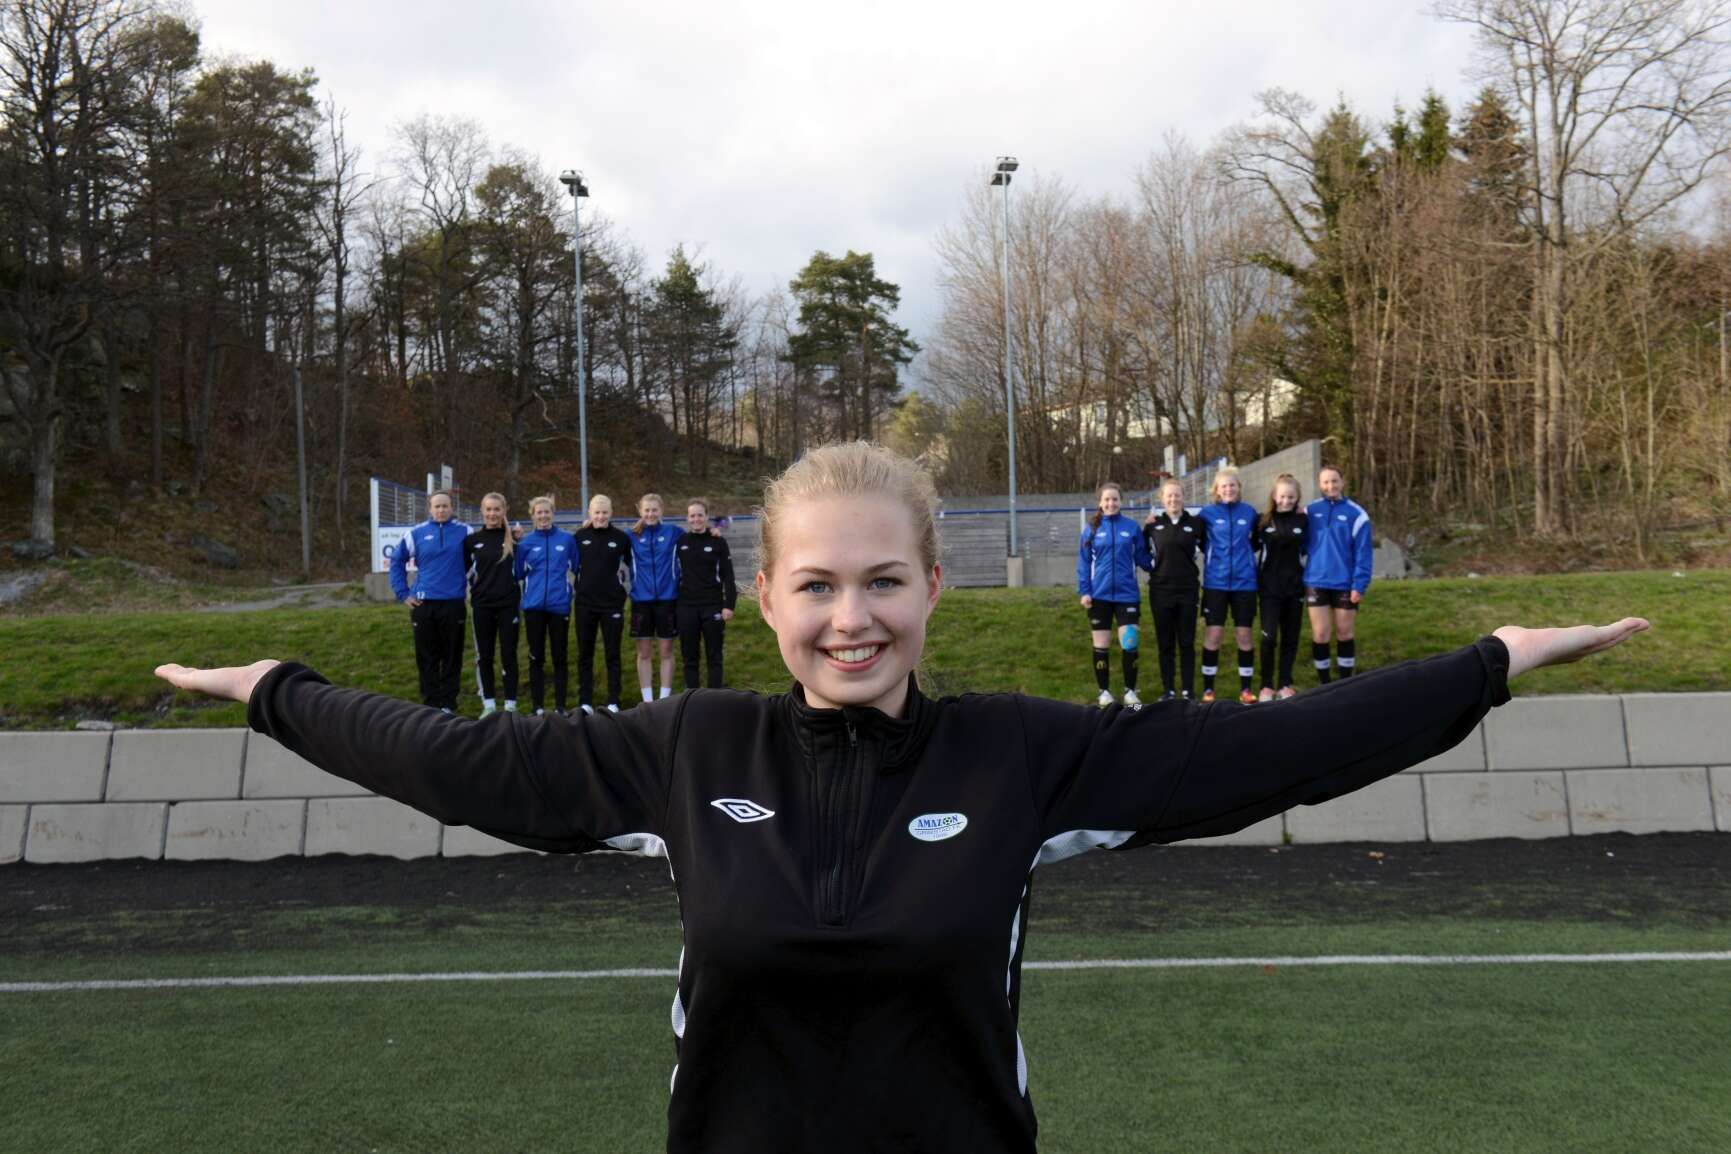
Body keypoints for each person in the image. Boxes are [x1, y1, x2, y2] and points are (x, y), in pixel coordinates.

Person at [157, 441, 1647, 1154]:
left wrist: (1486, 664)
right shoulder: (688, 749)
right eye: (816, 584)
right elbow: (455, 761)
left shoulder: (1016, 753)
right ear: (763, 597)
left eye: (882, 581)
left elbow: (1266, 749)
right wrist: (279, 686)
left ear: (933, 587)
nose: (850, 618)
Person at [386, 490, 472, 712]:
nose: (441, 510)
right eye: (437, 506)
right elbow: (396, 561)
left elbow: (479, 559)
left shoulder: (465, 532)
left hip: (453, 604)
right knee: (427, 657)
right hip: (423, 605)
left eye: (445, 506)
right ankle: (431, 704)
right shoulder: (416, 533)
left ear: (452, 508)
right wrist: (403, 593)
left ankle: (449, 704)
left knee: (452, 657)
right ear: (430, 509)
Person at [1076, 481, 1151, 707]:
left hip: (1127, 596)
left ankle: (1130, 692)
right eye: (1107, 499)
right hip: (1099, 596)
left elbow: (1143, 558)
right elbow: (1084, 563)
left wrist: (1159, 546)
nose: (1111, 503)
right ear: (1100, 503)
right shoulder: (1091, 529)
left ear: (1121, 501)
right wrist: (1085, 591)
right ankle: (1104, 692)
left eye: (1115, 499)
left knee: (1129, 642)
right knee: (1101, 644)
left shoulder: (1132, 527)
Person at [1305, 464, 1374, 684]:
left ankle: (1345, 683)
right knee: (1320, 634)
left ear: (1342, 482)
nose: (1330, 485)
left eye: (1334, 481)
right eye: (1325, 482)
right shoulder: (1309, 511)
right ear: (1319, 484)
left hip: (1345, 583)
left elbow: (1363, 553)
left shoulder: (1357, 514)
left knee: (1344, 633)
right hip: (1316, 581)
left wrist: (1359, 584)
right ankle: (1324, 684)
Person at [1142, 478, 1206, 701]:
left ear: (1183, 497)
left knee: (1187, 642)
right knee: (1165, 643)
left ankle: (1188, 691)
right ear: (1162, 498)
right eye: (1169, 495)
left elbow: (1209, 548)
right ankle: (1168, 690)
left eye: (1177, 495)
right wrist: (1151, 567)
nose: (1173, 499)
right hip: (1160, 591)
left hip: (1188, 590)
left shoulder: (1196, 524)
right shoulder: (1152, 525)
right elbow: (1141, 552)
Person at [1199, 466, 1258, 704]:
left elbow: (1258, 539)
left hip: (1245, 583)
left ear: (1239, 487)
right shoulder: (1206, 514)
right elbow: (1196, 538)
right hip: (1216, 583)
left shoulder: (1250, 512)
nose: (1228, 489)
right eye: (1224, 486)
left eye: (1232, 485)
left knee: (1244, 635)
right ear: (1217, 490)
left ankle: (1246, 690)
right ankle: (1208, 690)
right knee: (1214, 634)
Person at [514, 495, 576, 716]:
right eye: (538, 512)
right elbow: (518, 573)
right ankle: (537, 707)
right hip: (534, 607)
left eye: (546, 512)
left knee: (560, 657)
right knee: (536, 658)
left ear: (553, 513)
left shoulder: (567, 540)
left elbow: (577, 567)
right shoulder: (525, 544)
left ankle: (560, 707)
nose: (543, 516)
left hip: (559, 606)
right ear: (532, 515)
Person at [572, 494, 633, 715]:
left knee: (612, 654)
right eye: (596, 512)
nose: (600, 516)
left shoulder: (621, 538)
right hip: (585, 604)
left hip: (611, 605)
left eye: (604, 512)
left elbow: (634, 564)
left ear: (611, 513)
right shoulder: (579, 536)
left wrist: (625, 592)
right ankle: (585, 701)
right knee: (585, 654)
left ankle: (613, 700)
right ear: (590, 513)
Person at [464, 492, 521, 719]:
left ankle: (510, 704)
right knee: (484, 656)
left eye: (497, 509)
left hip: (508, 605)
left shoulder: (514, 540)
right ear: (482, 511)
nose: (492, 513)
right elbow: (463, 571)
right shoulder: (471, 541)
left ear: (504, 511)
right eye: (488, 509)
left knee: (509, 654)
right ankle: (488, 704)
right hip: (482, 605)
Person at [675, 499, 738, 691]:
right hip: (686, 607)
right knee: (689, 657)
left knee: (714, 656)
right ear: (687, 518)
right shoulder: (681, 542)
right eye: (692, 515)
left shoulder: (718, 541)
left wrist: (729, 604)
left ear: (707, 517)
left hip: (713, 606)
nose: (696, 519)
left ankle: (714, 698)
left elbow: (728, 575)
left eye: (700, 515)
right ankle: (692, 698)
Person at [1256, 474, 1307, 702]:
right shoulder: (1262, 521)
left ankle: (1284, 683)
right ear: (1275, 496)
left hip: (1294, 589)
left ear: (1297, 498)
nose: (1286, 501)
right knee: (1268, 639)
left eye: (1291, 497)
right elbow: (1249, 546)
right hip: (1269, 589)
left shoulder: (1303, 520)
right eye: (1282, 496)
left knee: (1290, 637)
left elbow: (1308, 549)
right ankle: (1266, 685)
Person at [629, 493, 682, 702]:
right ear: (640, 511)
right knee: (644, 653)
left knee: (666, 651)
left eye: (654, 510)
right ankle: (648, 701)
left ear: (661, 510)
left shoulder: (673, 532)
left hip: (667, 599)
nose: (650, 514)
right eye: (647, 510)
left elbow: (698, 535)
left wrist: (714, 530)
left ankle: (664, 700)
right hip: (640, 601)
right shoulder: (631, 535)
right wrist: (588, 524)